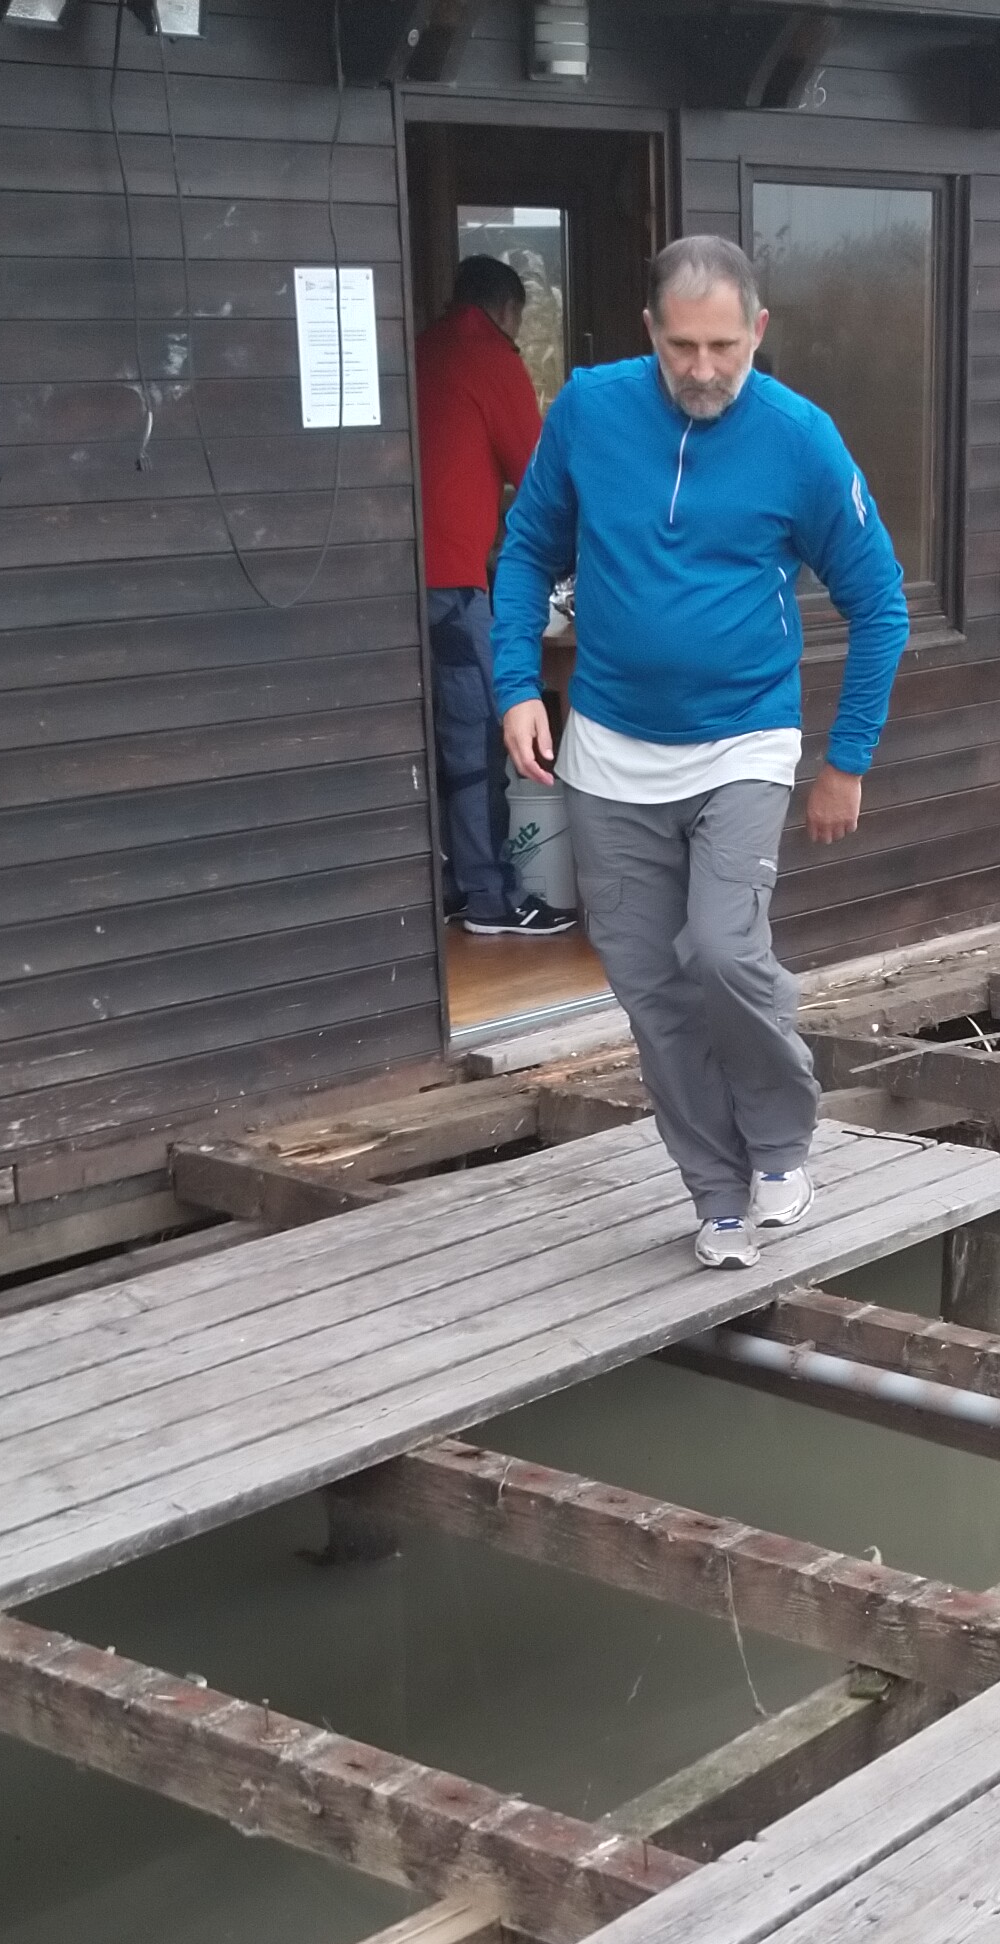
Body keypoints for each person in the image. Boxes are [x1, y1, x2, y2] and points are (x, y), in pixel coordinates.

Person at [491, 234, 909, 1266]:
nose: (705, 368)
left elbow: (880, 603)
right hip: (608, 750)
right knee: (651, 988)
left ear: (758, 331)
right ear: (650, 332)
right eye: (683, 347)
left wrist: (847, 760)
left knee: (721, 950)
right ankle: (717, 1196)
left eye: (725, 346)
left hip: (745, 742)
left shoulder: (800, 440)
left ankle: (781, 1138)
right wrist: (515, 686)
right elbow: (527, 549)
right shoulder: (589, 411)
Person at [411, 255, 574, 937]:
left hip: (399, 579)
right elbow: (539, 478)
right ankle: (490, 897)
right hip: (452, 579)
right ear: (508, 311)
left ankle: (454, 881)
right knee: (480, 733)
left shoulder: (418, 349)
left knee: (434, 735)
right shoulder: (491, 359)